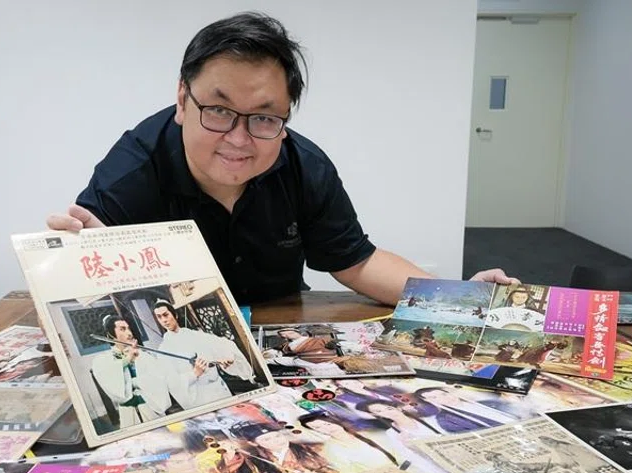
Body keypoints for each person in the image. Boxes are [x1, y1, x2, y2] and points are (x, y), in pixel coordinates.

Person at [46, 12, 514, 305]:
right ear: (183, 100)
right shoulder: (132, 170)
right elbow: (81, 279)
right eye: (219, 110)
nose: (238, 139)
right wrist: (77, 261)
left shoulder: (304, 166)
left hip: (280, 327)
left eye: (264, 117)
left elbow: (357, 262)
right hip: (174, 330)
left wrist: (462, 299)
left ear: (285, 117)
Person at [154, 300, 256, 407]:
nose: (164, 320)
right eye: (159, 317)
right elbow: (172, 382)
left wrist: (225, 359)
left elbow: (221, 345)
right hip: (200, 397)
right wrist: (194, 373)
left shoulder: (195, 335)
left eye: (166, 315)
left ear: (175, 315)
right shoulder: (163, 350)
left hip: (219, 389)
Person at [90, 314, 172, 427]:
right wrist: (128, 359)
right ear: (110, 335)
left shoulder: (143, 355)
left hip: (150, 406)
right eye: (122, 329)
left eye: (128, 328)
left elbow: (158, 378)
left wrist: (137, 382)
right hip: (128, 412)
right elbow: (108, 375)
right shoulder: (104, 359)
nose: (129, 333)